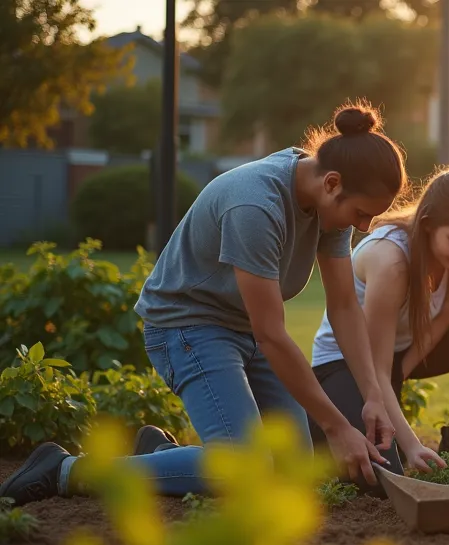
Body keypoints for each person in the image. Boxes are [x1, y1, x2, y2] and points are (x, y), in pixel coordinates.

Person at [1, 103, 406, 506]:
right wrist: (336, 426)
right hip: (188, 326)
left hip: (245, 329)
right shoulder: (255, 206)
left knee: (292, 472)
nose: (363, 227)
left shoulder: (326, 202)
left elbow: (344, 307)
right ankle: (64, 469)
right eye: (361, 214)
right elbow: (271, 333)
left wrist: (371, 393)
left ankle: (161, 459)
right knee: (246, 469)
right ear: (333, 183)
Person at [309, 167, 449, 490]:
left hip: (397, 356)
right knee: (380, 481)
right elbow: (375, 368)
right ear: (427, 226)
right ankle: (316, 434)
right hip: (348, 364)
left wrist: (403, 372)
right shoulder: (391, 261)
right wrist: (409, 445)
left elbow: (438, 323)